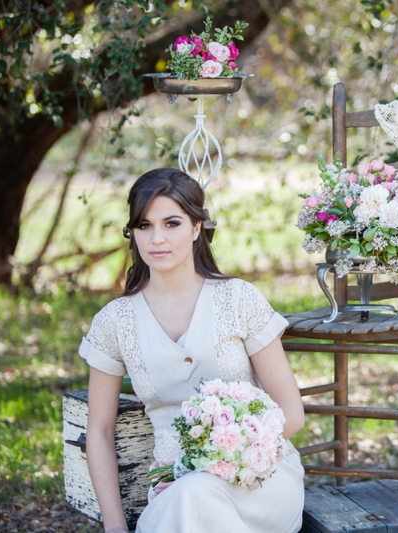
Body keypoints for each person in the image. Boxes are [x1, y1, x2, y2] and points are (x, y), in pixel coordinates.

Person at [80, 168, 305, 533]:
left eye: (171, 224)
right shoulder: (114, 322)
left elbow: (291, 414)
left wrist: (222, 461)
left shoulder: (238, 299)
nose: (157, 239)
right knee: (190, 498)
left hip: (258, 479)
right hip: (172, 486)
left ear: (197, 227)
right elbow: (100, 432)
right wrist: (115, 527)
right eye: (143, 225)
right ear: (132, 232)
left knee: (196, 493)